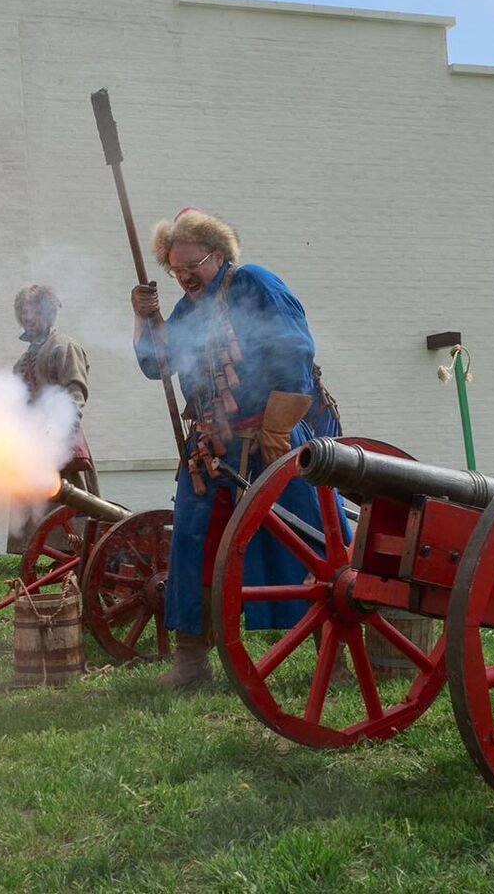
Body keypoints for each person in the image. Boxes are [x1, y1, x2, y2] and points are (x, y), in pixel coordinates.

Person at [131, 208, 342, 687]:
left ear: (219, 255)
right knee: (190, 544)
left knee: (309, 544)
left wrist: (276, 429)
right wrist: (145, 319)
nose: (184, 277)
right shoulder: (186, 310)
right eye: (175, 270)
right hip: (210, 449)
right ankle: (191, 662)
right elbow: (156, 365)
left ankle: (338, 656)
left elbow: (294, 349)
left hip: (274, 436)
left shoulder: (253, 283)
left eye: (192, 265)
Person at [6, 284, 98, 554]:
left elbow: (75, 390)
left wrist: (58, 430)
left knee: (69, 505)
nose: (27, 316)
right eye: (23, 310)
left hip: (61, 444)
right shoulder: (22, 361)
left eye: (33, 310)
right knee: (33, 504)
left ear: (47, 313)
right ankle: (39, 552)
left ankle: (72, 555)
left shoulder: (64, 347)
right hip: (32, 444)